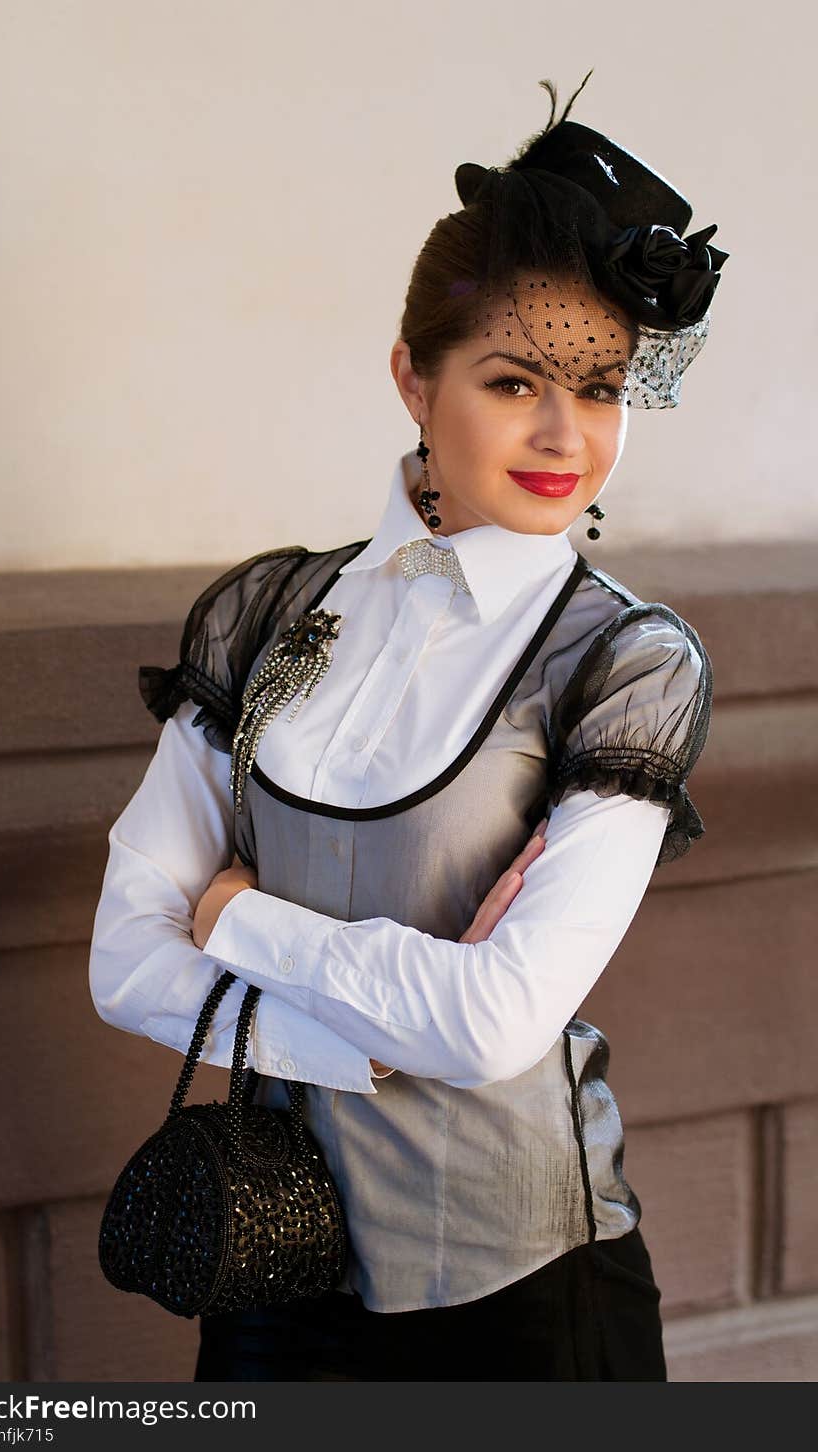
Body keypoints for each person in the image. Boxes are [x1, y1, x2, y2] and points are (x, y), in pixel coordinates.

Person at [88, 73, 726, 1381]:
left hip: (531, 1298)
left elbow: (498, 1023)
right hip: (271, 1258)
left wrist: (241, 926)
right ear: (413, 381)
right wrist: (357, 1034)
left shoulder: (624, 660)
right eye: (513, 381)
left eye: (601, 387)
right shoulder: (267, 611)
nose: (568, 436)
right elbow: (119, 961)